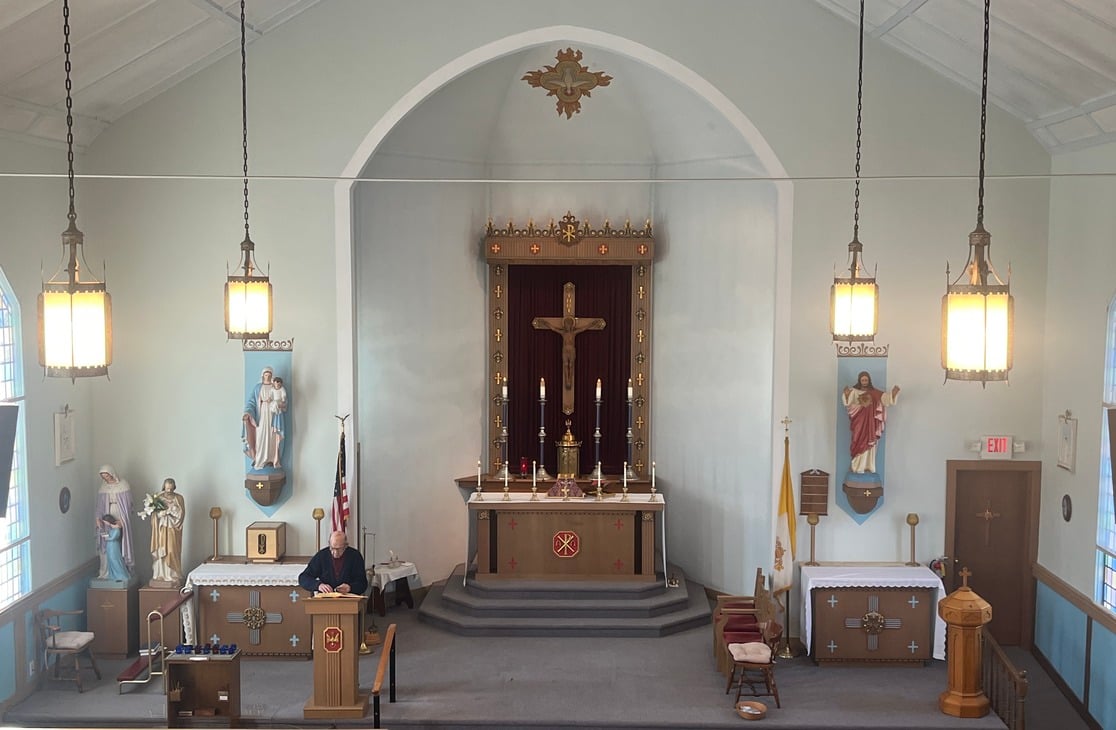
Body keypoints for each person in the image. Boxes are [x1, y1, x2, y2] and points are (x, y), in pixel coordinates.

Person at [842, 371, 900, 474]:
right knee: (857, 440)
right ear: (859, 380)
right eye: (863, 380)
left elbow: (886, 399)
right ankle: (856, 466)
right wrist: (846, 395)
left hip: (870, 424)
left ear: (869, 381)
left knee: (870, 442)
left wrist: (893, 394)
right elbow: (848, 403)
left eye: (866, 380)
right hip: (859, 422)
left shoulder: (875, 392)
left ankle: (869, 466)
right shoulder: (854, 391)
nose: (864, 382)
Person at [298, 531, 368, 596]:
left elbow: (362, 583)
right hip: (326, 600)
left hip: (348, 600)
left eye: (339, 549)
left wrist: (350, 588)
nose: (335, 552)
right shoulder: (321, 555)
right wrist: (318, 585)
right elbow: (303, 578)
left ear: (346, 546)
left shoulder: (355, 556)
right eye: (332, 548)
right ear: (329, 544)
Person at [95, 465, 134, 580]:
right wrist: (98, 517)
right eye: (103, 476)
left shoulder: (123, 485)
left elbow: (128, 504)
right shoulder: (103, 488)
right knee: (107, 542)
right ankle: (105, 571)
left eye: (106, 475)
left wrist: (123, 519)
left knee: (120, 539)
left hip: (119, 512)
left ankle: (123, 568)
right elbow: (99, 505)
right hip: (107, 512)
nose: (105, 478)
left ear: (111, 473)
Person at [150, 478, 186, 588]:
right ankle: (160, 574)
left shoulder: (179, 498)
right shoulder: (158, 498)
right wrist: (161, 513)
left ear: (174, 487)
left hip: (172, 528)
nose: (169, 491)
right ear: (164, 487)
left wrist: (173, 512)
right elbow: (154, 515)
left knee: (171, 550)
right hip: (161, 528)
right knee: (161, 550)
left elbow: (181, 514)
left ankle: (173, 575)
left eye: (171, 488)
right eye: (167, 488)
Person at [243, 366, 281, 470]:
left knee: (272, 436)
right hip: (261, 415)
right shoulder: (258, 388)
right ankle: (259, 459)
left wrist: (276, 402)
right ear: (263, 376)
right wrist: (248, 412)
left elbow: (281, 399)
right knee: (260, 436)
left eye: (269, 375)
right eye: (266, 375)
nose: (267, 377)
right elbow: (251, 402)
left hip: (273, 414)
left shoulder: (275, 387)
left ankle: (271, 459)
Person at [98, 514, 130, 582]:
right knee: (110, 560)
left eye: (105, 522)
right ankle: (114, 575)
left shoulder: (117, 528)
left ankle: (121, 575)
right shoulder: (112, 528)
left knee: (115, 560)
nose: (105, 523)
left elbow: (114, 537)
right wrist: (105, 535)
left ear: (108, 521)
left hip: (114, 546)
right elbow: (109, 535)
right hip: (109, 546)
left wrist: (107, 537)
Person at [270, 376, 288, 467]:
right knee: (274, 404)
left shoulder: (282, 390)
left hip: (279, 409)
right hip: (274, 408)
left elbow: (284, 398)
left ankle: (277, 459)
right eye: (276, 383)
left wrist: (283, 400)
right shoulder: (273, 390)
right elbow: (270, 397)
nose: (277, 385)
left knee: (277, 404)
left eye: (279, 384)